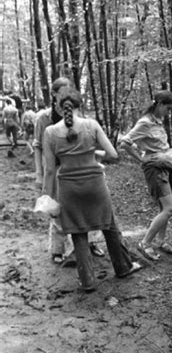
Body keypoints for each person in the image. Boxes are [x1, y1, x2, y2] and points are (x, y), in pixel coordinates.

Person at [42, 87, 141, 292]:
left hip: (69, 189)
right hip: (95, 185)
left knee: (79, 233)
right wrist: (93, 153)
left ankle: (87, 280)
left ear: (60, 109)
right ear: (81, 106)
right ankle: (123, 267)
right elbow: (114, 154)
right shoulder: (91, 125)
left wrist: (46, 197)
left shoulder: (50, 132)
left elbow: (50, 170)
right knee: (109, 226)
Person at [34, 77, 104, 264]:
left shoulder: (81, 118)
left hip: (78, 169)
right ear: (54, 95)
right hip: (56, 169)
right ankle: (58, 249)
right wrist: (40, 175)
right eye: (61, 92)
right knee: (56, 209)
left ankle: (91, 243)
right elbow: (38, 146)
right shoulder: (44, 118)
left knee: (86, 207)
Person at [119, 90, 172, 261]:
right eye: (168, 109)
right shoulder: (145, 123)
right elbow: (124, 143)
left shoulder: (158, 121)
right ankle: (145, 243)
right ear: (160, 104)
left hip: (166, 166)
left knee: (166, 208)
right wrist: (141, 159)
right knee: (169, 208)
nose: (169, 113)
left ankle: (161, 241)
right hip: (155, 168)